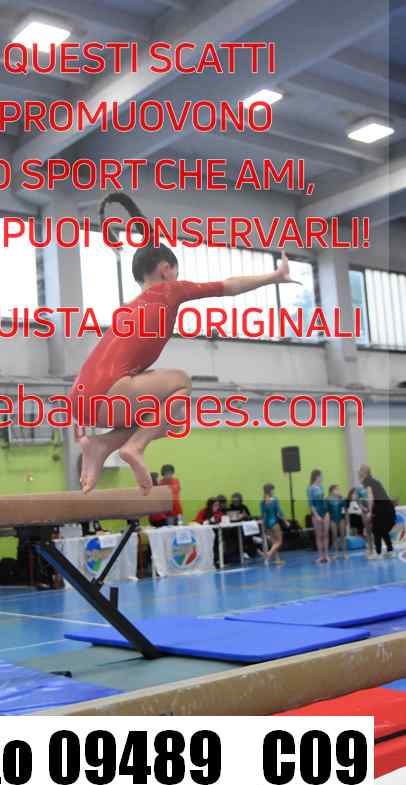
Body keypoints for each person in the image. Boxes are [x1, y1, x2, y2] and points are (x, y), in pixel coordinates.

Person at [70, 192, 299, 494]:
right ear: (165, 269)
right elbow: (228, 286)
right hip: (108, 392)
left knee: (169, 418)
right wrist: (274, 276)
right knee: (181, 383)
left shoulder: (130, 306)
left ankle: (101, 444)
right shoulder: (170, 290)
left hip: (82, 400)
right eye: (176, 271)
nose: (178, 277)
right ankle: (135, 447)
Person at [358, 465, 395, 558]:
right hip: (386, 506)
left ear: (365, 472)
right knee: (382, 530)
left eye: (361, 470)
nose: (359, 471)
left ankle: (378, 553)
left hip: (381, 507)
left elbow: (371, 497)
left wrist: (370, 512)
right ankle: (390, 550)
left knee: (376, 530)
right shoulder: (374, 480)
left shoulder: (367, 481)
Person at [259, 483, 285, 566]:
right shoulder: (274, 499)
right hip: (273, 523)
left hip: (267, 524)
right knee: (279, 542)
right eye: (273, 490)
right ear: (270, 491)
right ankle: (268, 554)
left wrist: (263, 525)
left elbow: (262, 515)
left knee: (274, 542)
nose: (273, 492)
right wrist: (285, 521)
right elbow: (279, 512)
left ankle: (277, 560)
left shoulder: (262, 501)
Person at [307, 469, 330, 564]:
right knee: (319, 535)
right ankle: (321, 556)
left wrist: (326, 499)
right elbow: (311, 504)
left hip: (325, 512)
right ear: (317, 477)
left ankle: (326, 555)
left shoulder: (321, 487)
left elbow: (322, 499)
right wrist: (316, 516)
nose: (322, 477)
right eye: (321, 476)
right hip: (316, 513)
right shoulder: (310, 488)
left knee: (326, 534)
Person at [327, 485, 347, 559]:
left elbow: (345, 510)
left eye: (338, 489)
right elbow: (327, 511)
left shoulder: (341, 499)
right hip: (332, 519)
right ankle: (336, 553)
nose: (338, 491)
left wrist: (347, 521)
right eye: (336, 489)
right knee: (334, 536)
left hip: (341, 519)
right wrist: (328, 521)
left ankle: (345, 553)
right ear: (332, 491)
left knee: (343, 536)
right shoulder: (328, 499)